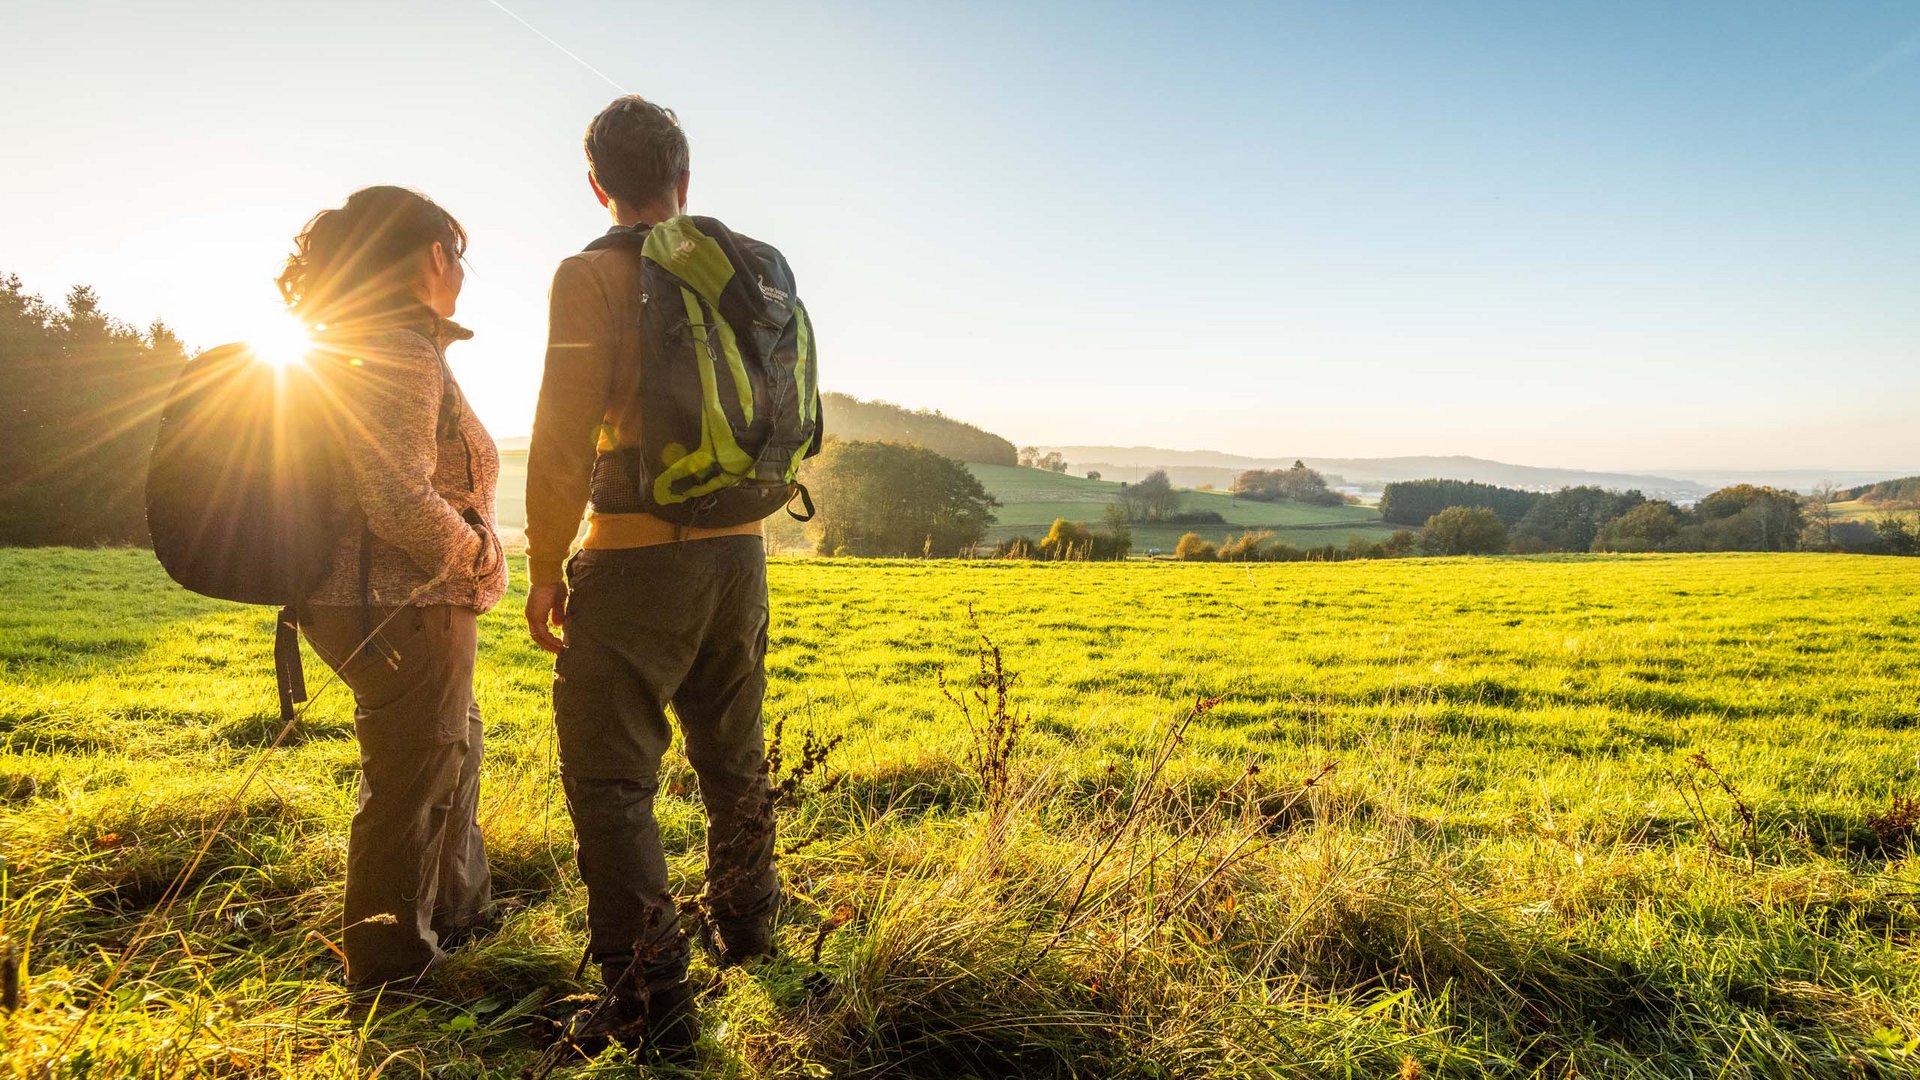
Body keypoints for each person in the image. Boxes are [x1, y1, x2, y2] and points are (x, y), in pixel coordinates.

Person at [524, 96, 787, 1055]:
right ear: (685, 178)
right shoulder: (749, 265)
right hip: (742, 550)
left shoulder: (590, 274)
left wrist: (545, 566)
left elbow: (559, 440)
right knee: (734, 752)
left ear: (597, 184)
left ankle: (650, 999)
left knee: (611, 780)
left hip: (633, 557)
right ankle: (752, 928)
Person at [276, 186, 508, 988]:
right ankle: (391, 968)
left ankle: (455, 916)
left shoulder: (368, 342)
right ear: (432, 257)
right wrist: (477, 555)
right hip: (402, 602)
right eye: (459, 255)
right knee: (410, 780)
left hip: (380, 600)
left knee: (451, 750)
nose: (462, 273)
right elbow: (396, 492)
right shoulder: (398, 351)